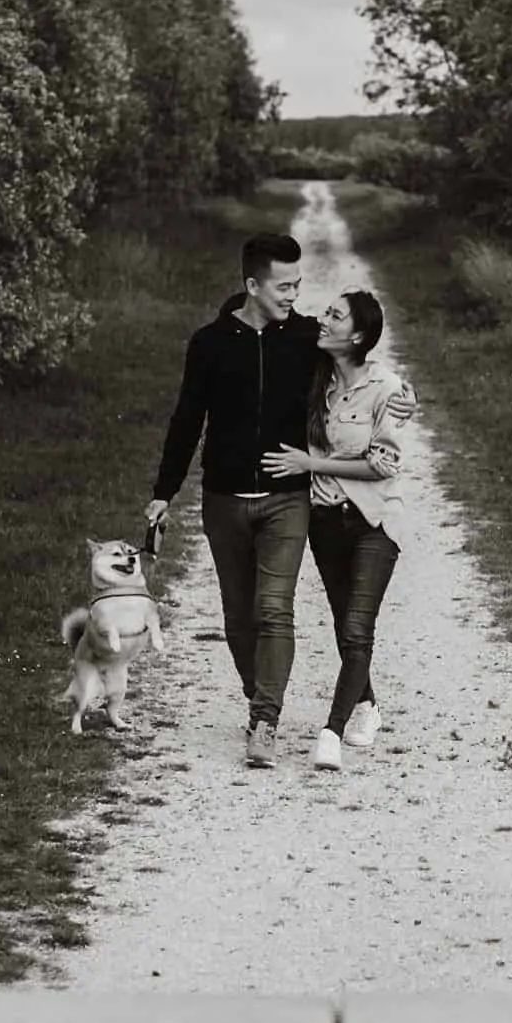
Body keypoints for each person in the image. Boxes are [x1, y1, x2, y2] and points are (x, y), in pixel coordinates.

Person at [147, 234, 415, 767]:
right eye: (284, 286)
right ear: (253, 285)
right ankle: (260, 696)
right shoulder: (209, 344)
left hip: (287, 501)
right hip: (223, 499)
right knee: (238, 620)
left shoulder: (304, 337)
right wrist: (163, 493)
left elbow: (359, 362)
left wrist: (404, 397)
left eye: (298, 285)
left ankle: (264, 721)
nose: (295, 296)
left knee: (274, 610)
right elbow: (186, 420)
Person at [261, 289, 406, 772]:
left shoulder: (386, 388)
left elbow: (384, 464)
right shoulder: (316, 379)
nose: (324, 319)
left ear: (358, 335)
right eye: (326, 312)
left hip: (373, 522)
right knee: (347, 626)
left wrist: (313, 464)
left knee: (358, 628)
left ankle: (331, 732)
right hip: (324, 522)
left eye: (336, 315)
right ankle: (368, 704)